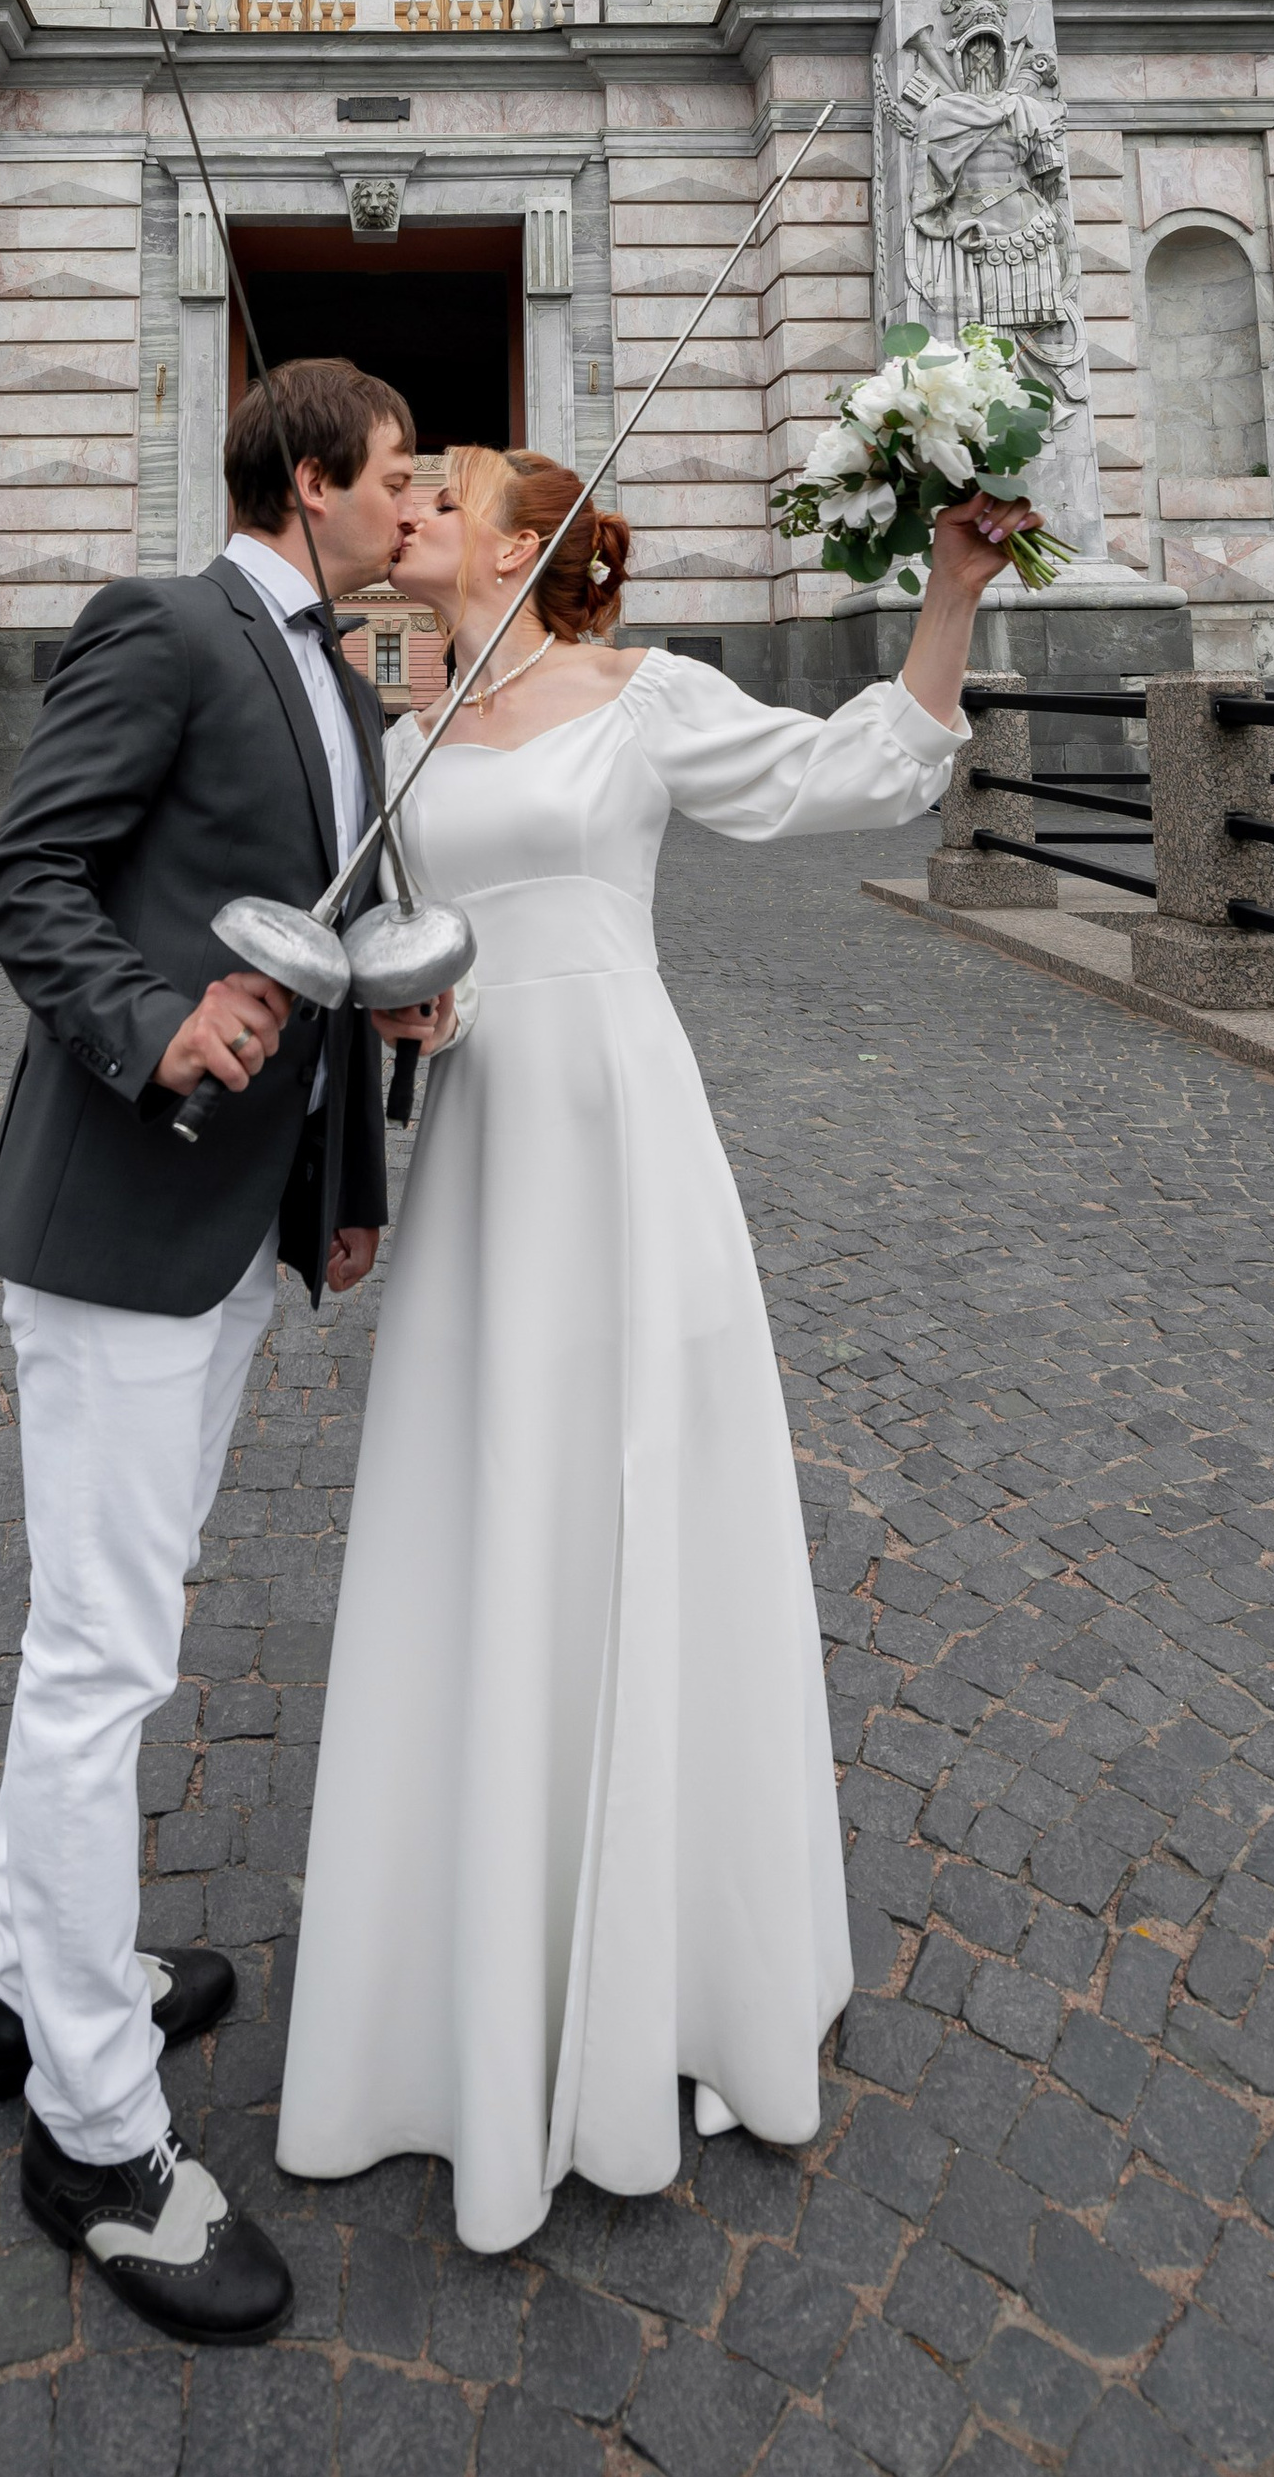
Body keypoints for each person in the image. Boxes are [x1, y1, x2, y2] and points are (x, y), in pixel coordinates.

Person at [277, 445, 1033, 2252]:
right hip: (478, 1142)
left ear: (531, 544)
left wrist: (947, 600)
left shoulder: (643, 694)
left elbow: (850, 770)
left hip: (622, 1129)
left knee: (638, 1496)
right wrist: (406, 993)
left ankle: (675, 1976)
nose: (419, 516)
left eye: (450, 495)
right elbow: (384, 941)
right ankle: (466, 1990)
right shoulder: (396, 742)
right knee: (489, 1519)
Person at [0, 356, 418, 2342]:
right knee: (101, 1659)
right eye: (395, 477)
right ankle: (91, 2131)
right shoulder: (164, 627)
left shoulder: (349, 677)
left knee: (107, 1624)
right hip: (117, 1216)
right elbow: (25, 874)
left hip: (231, 1229)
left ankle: (21, 1975)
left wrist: (345, 1173)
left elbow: (314, 957)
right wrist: (153, 1023)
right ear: (308, 480)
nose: (417, 507)